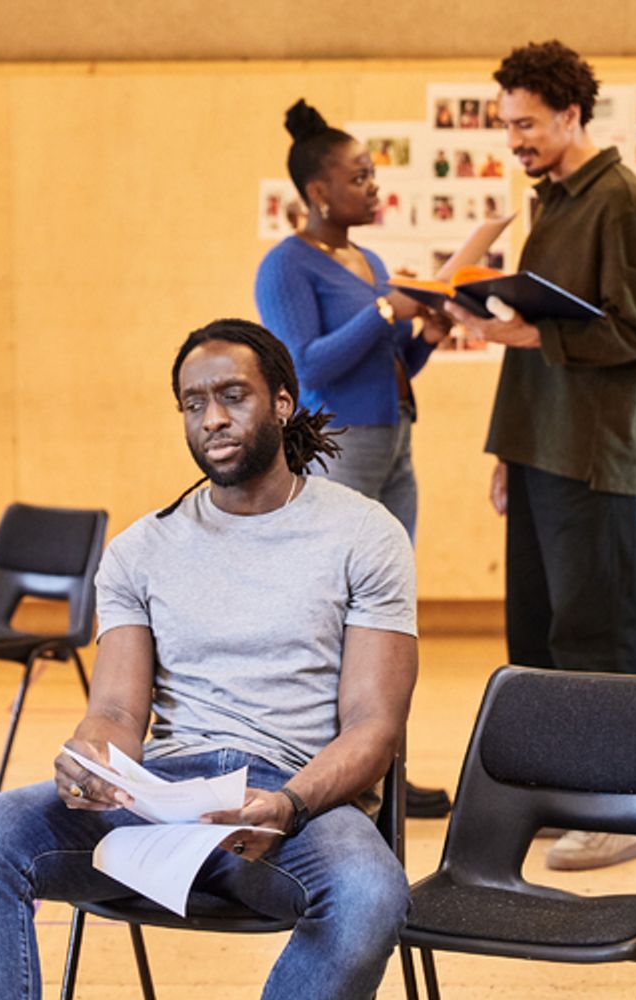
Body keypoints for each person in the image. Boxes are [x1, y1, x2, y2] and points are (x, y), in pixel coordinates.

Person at [0, 319, 417, 1000]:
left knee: (371, 892)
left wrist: (286, 804)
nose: (212, 419)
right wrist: (89, 760)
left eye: (233, 396)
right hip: (163, 799)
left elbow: (374, 725)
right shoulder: (141, 549)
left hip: (293, 802)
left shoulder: (364, 535)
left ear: (282, 403)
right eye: (194, 404)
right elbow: (115, 710)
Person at [443, 40, 636, 871]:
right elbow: (532, 344)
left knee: (595, 639)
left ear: (573, 114)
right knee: (534, 634)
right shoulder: (553, 203)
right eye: (507, 125)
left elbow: (633, 334)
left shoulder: (624, 205)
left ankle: (617, 813)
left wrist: (535, 330)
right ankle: (553, 798)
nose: (515, 140)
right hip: (539, 450)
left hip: (592, 457)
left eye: (527, 124)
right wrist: (507, 449)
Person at [255, 99, 452, 819]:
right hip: (341, 448)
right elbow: (306, 367)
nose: (374, 188)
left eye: (373, 176)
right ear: (318, 192)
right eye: (360, 177)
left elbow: (388, 362)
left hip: (394, 440)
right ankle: (339, 775)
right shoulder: (284, 267)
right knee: (339, 616)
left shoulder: (366, 260)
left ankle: (390, 767)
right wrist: (382, 313)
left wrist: (424, 332)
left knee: (388, 614)